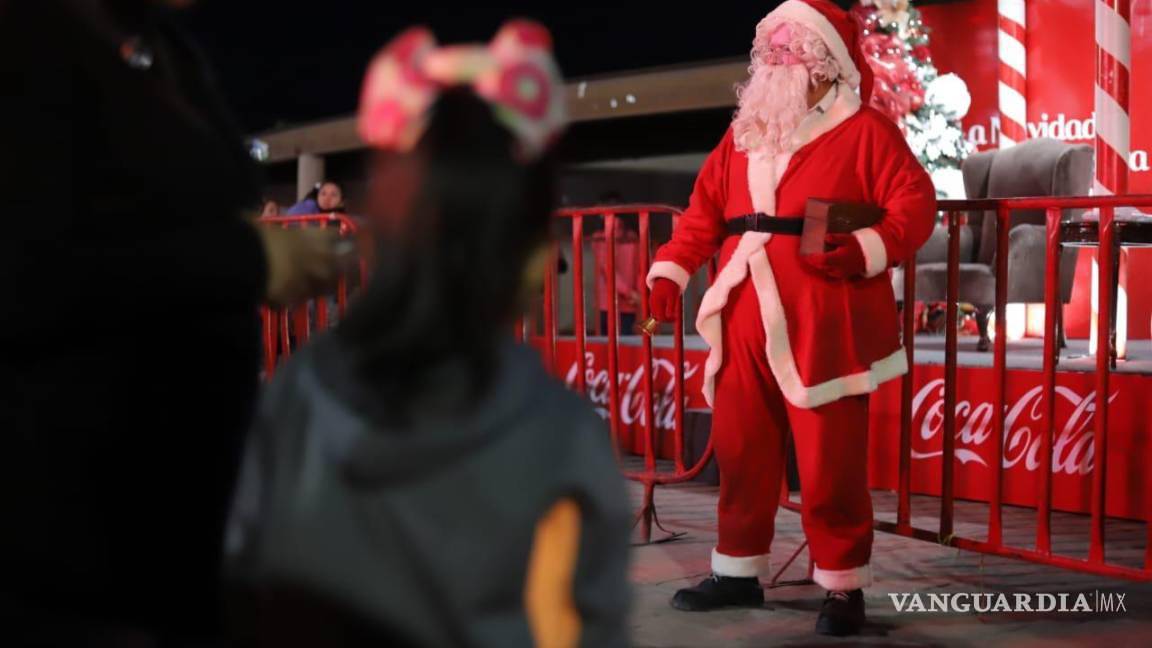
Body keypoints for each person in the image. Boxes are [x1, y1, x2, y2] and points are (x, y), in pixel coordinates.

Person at [226, 21, 631, 648]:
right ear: (532, 254)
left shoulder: (301, 393)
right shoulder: (561, 433)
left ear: (378, 231)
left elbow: (247, 577)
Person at [0, 1, 341, 644]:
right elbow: (27, 276)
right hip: (66, 557)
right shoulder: (26, 40)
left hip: (182, 547)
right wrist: (245, 259)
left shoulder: (167, 50)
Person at [645, 0, 936, 636]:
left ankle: (841, 586)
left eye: (790, 51)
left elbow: (914, 204)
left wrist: (865, 248)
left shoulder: (865, 131)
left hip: (823, 318)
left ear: (827, 62)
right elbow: (701, 215)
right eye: (769, 52)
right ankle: (737, 572)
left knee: (830, 461)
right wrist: (670, 270)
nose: (776, 63)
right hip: (743, 310)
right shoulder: (744, 133)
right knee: (743, 450)